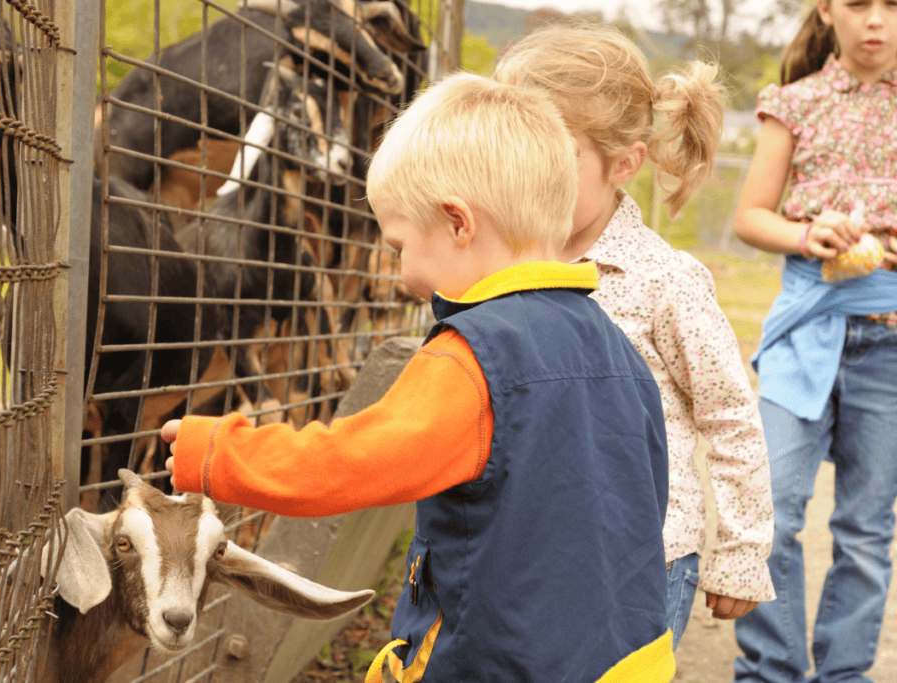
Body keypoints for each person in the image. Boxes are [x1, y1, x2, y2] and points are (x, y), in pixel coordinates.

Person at [161, 72, 676, 682]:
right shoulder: (618, 349)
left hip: (500, 665)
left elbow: (352, 463)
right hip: (626, 659)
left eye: (399, 244)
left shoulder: (473, 357)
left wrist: (217, 452)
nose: (401, 273)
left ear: (458, 223)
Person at [493, 23, 776, 652]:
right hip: (530, 555)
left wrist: (741, 551)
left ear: (624, 164)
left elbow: (730, 417)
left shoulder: (663, 281)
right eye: (511, 148)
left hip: (642, 561)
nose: (524, 174)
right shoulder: (496, 267)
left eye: (554, 155)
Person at [727, 0, 897, 680]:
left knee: (865, 531)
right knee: (769, 511)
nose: (876, 20)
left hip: (889, 344)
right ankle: (770, 667)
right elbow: (750, 216)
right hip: (806, 333)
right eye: (858, 4)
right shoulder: (792, 104)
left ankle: (844, 673)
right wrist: (806, 234)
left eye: (892, 5)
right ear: (826, 10)